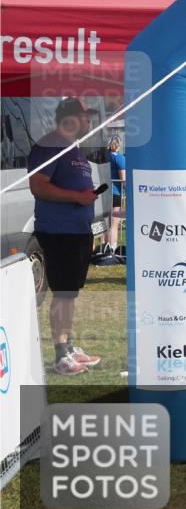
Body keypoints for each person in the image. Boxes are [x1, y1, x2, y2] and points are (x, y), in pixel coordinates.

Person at [27, 97, 102, 376]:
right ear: (71, 117)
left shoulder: (73, 147)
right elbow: (38, 186)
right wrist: (77, 197)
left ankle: (68, 346)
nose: (89, 121)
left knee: (70, 293)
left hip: (77, 232)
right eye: (85, 116)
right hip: (58, 232)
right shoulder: (49, 145)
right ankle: (61, 355)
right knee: (63, 293)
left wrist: (85, 198)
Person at [103, 134, 126, 256]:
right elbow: (123, 179)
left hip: (103, 192)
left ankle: (104, 248)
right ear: (118, 144)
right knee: (114, 223)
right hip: (115, 192)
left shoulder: (103, 157)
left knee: (105, 222)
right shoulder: (119, 158)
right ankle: (112, 249)